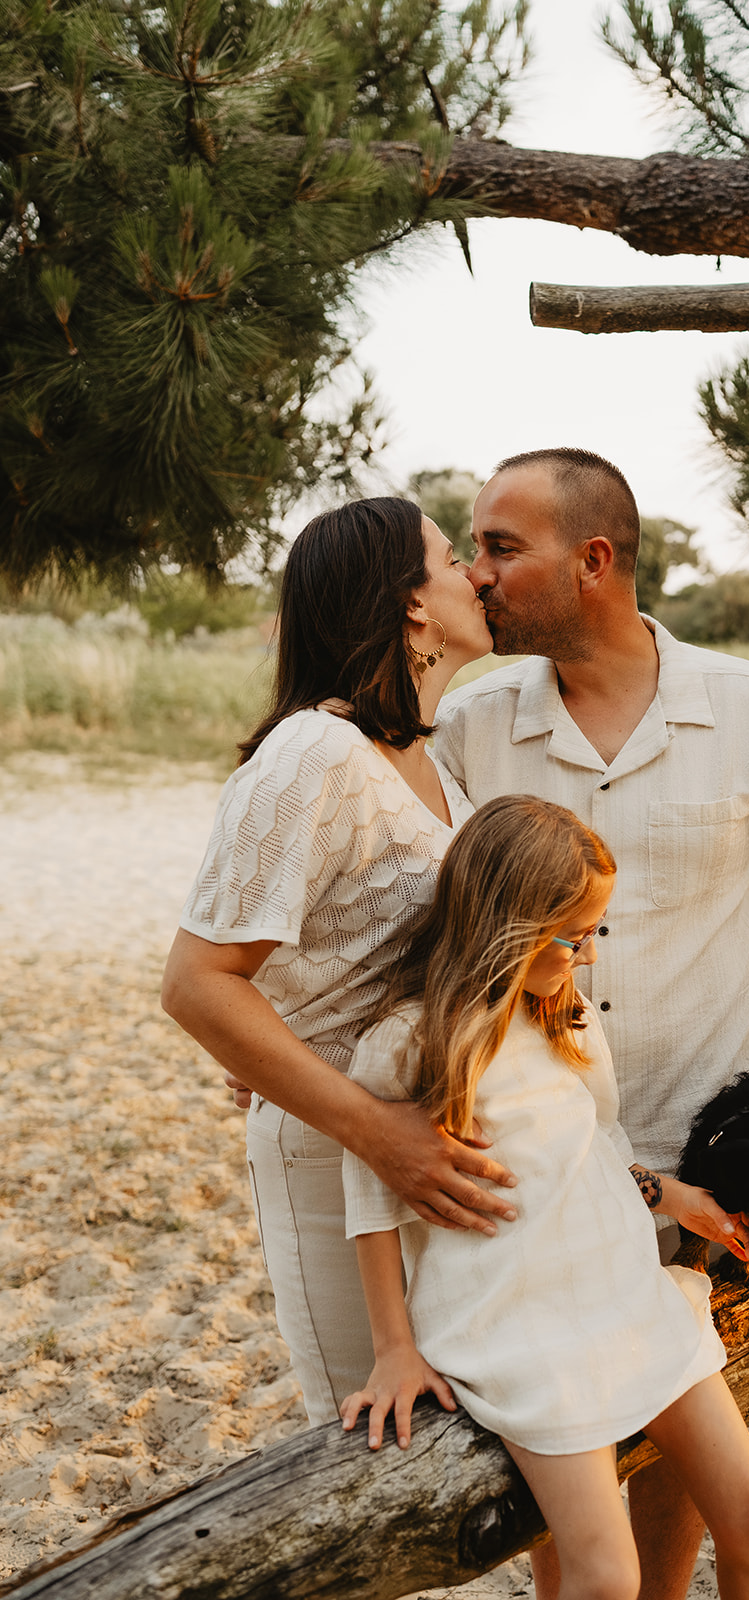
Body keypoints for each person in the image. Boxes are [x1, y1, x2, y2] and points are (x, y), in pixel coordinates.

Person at [432, 446, 749, 1600]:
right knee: (576, 1444)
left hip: (715, 1133)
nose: (477, 574)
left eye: (500, 547)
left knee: (685, 1406)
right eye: (471, 549)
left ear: (594, 561)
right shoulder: (473, 727)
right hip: (555, 1150)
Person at [339, 794, 749, 1600]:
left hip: (624, 1297)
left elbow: (594, 1139)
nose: (585, 957)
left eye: (593, 934)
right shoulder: (412, 1041)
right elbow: (372, 1200)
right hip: (521, 1330)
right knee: (605, 1578)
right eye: (569, 938)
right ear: (504, 928)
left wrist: (667, 1194)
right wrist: (393, 1349)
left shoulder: (565, 1015)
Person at [161, 497, 521, 1426]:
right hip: (336, 1156)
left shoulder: (434, 765)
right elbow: (198, 983)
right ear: (410, 603)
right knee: (368, 1454)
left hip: (429, 1151)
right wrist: (373, 1129)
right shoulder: (313, 753)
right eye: (453, 559)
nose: (476, 576)